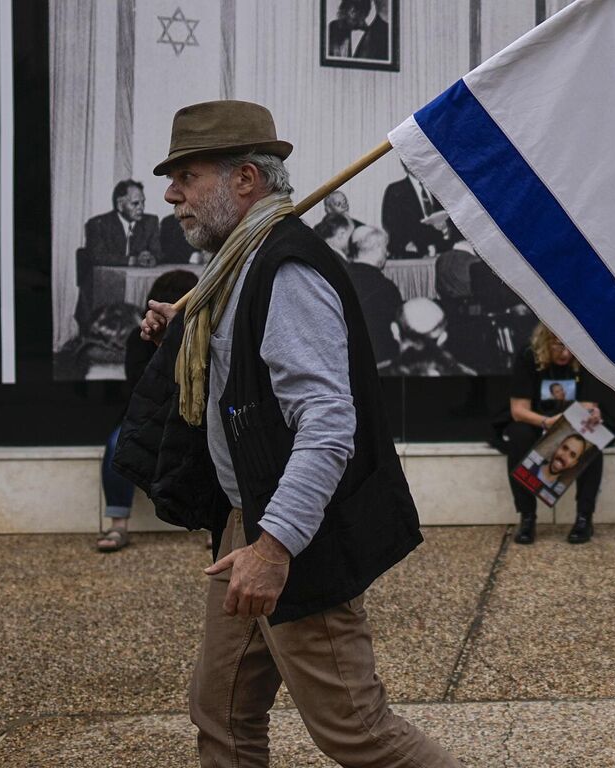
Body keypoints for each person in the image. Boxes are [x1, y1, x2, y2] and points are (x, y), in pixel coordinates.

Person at [123, 99, 459, 765]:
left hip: (293, 534)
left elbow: (329, 427)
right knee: (220, 713)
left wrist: (273, 550)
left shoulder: (287, 269)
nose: (171, 194)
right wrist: (188, 327)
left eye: (187, 176)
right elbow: (246, 363)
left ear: (244, 179)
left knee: (357, 732)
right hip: (245, 523)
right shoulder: (236, 265)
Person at [97, 269, 199, 553]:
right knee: (117, 444)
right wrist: (166, 345)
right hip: (149, 416)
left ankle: (215, 526)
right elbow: (141, 385)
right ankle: (118, 524)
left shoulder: (204, 332)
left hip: (193, 414)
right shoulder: (140, 336)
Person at [502, 323, 615, 544]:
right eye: (558, 345)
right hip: (537, 421)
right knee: (518, 436)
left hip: (571, 426)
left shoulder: (583, 358)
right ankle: (527, 517)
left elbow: (588, 405)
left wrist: (592, 414)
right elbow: (518, 411)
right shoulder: (528, 356)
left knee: (593, 439)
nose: (565, 353)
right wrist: (547, 422)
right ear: (545, 341)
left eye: (569, 346)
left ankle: (584, 517)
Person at [78, 179, 162, 328]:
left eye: (143, 202)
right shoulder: (98, 224)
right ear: (120, 204)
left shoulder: (150, 222)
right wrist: (133, 260)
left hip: (138, 293)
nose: (141, 208)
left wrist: (151, 258)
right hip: (102, 292)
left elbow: (159, 252)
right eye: (135, 204)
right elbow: (97, 256)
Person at [342, 225, 402, 369]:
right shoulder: (385, 288)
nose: (387, 253)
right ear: (377, 248)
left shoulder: (339, 278)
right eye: (385, 248)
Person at [382, 169, 444, 260]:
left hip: (442, 255)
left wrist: (445, 227)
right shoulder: (395, 190)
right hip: (410, 256)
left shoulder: (438, 188)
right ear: (405, 163)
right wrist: (421, 246)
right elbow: (391, 224)